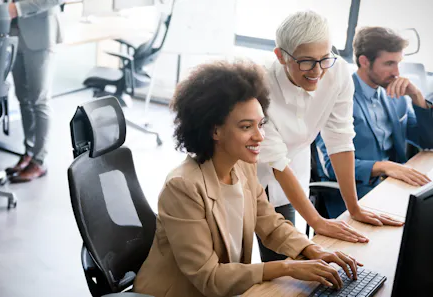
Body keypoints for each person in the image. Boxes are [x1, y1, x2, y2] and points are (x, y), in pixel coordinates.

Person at [134, 60, 361, 297]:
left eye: (261, 124)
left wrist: (312, 249)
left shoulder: (243, 167)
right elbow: (209, 277)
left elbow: (270, 223)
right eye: (246, 127)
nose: (260, 136)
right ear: (215, 131)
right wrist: (285, 267)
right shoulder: (182, 187)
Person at [256, 11, 403, 262]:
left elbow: (341, 138)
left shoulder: (337, 72)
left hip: (289, 176)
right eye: (306, 61)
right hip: (246, 173)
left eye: (324, 58)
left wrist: (354, 208)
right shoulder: (259, 84)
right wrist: (316, 221)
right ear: (280, 56)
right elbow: (274, 159)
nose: (317, 71)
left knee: (282, 261)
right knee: (230, 261)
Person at [314, 27, 433, 218]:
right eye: (389, 63)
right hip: (358, 195)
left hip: (394, 187)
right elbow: (329, 166)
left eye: (398, 63)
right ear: (364, 61)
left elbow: (428, 141)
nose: (396, 72)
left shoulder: (396, 94)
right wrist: (383, 166)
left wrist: (417, 97)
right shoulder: (339, 97)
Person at [4, 0, 62, 183]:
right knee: (23, 98)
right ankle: (29, 153)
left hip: (40, 33)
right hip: (12, 32)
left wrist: (18, 8)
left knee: (39, 100)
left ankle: (40, 160)